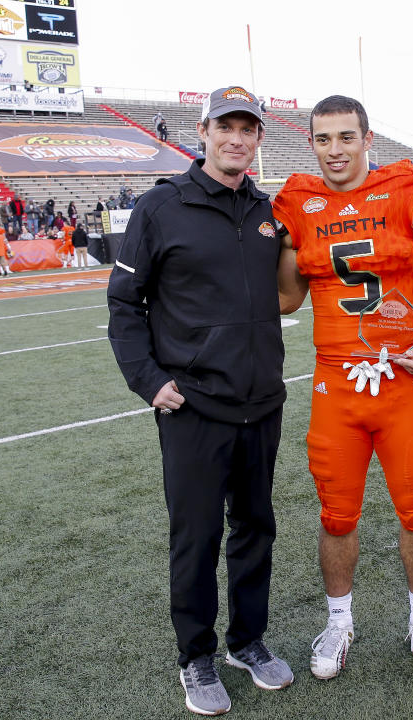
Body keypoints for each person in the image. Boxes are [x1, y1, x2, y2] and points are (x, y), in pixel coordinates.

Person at [107, 85, 292, 717]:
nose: (238, 138)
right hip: (191, 407)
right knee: (197, 535)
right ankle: (196, 655)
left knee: (256, 529)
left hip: (262, 402)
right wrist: (147, 380)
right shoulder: (162, 207)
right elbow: (124, 306)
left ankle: (249, 641)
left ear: (260, 138)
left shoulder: (267, 212)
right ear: (203, 130)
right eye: (227, 127)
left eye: (250, 129)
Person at [274, 95, 413, 681]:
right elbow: (285, 298)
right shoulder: (298, 205)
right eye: (324, 139)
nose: (335, 150)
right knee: (336, 515)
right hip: (336, 383)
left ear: (367, 139)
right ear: (311, 143)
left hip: (400, 379)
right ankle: (338, 621)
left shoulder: (407, 192)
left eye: (346, 138)